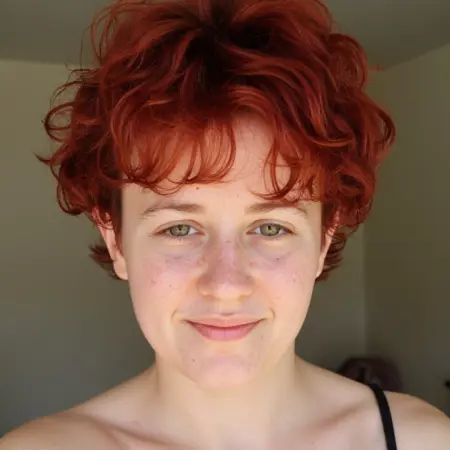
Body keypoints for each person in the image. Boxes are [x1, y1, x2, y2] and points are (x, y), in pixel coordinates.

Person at [2, 0, 449, 448]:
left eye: (271, 228)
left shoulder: (423, 440)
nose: (226, 285)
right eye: (179, 229)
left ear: (323, 238)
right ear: (116, 240)